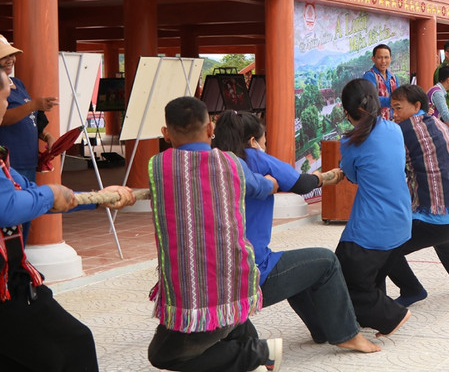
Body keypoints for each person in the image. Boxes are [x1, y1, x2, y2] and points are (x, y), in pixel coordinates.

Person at [0, 69, 136, 372]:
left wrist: (98, 198)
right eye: (5, 98)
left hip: (10, 284)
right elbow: (7, 207)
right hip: (7, 288)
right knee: (74, 344)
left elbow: (27, 193)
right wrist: (50, 193)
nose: (7, 105)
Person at [212, 111, 380, 353]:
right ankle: (347, 333)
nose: (265, 144)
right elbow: (301, 184)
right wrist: (320, 178)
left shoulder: (211, 163)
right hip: (250, 273)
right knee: (327, 261)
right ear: (253, 141)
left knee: (297, 266)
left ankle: (323, 329)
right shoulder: (253, 157)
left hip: (214, 274)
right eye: (265, 139)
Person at [147, 97, 282, 371]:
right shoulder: (232, 163)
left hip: (190, 289)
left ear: (166, 133)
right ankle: (253, 349)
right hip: (236, 277)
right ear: (211, 129)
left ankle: (261, 352)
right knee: (226, 318)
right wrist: (271, 183)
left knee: (163, 355)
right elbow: (261, 188)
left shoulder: (158, 166)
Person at [384, 84, 449, 306]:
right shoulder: (440, 124)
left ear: (416, 105)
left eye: (398, 108)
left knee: (386, 247)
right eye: (392, 108)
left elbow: (392, 168)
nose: (394, 114)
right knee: (447, 245)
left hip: (434, 219)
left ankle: (412, 290)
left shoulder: (401, 131)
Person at [336, 79, 412, 337]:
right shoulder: (394, 129)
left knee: (339, 278)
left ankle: (391, 315)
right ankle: (370, 318)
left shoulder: (350, 142)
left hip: (372, 227)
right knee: (372, 274)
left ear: (346, 112)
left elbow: (353, 176)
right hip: (402, 220)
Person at [0, 36, 60, 239]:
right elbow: (3, 119)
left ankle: (20, 256)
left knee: (26, 215)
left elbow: (31, 118)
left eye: (11, 55)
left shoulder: (17, 84)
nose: (10, 60)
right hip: (10, 163)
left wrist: (47, 136)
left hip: (27, 161)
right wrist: (33, 104)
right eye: (4, 56)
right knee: (11, 220)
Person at [362, 44, 398, 120]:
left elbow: (399, 96)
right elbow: (371, 99)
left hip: (393, 119)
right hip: (376, 121)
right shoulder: (370, 75)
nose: (383, 61)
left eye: (386, 57)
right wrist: (393, 101)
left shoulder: (393, 77)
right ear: (373, 59)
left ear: (390, 58)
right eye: (379, 57)